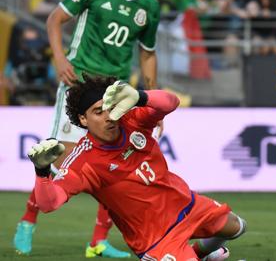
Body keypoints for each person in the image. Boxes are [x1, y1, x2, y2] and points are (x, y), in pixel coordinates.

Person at [13, 0, 160, 258]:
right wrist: (59, 59)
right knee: (59, 159)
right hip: (79, 84)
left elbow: (147, 54)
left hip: (115, 93)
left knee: (118, 166)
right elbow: (55, 18)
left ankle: (98, 240)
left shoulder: (149, 6)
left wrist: (151, 102)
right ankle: (28, 219)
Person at [26, 75, 246, 260]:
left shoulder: (132, 121)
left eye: (111, 108)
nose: (108, 117)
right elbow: (49, 203)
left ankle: (200, 255)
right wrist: (42, 172)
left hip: (187, 205)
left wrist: (140, 96)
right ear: (83, 119)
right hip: (156, 238)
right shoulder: (84, 161)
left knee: (238, 227)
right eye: (98, 112)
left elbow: (171, 102)